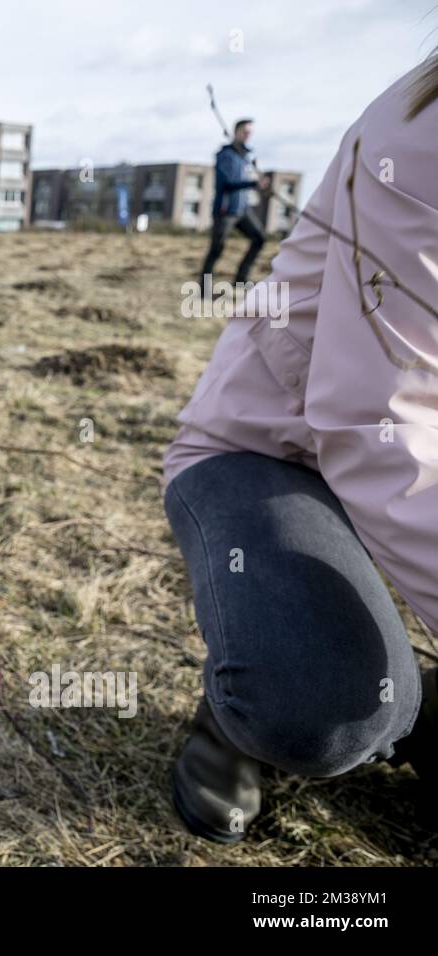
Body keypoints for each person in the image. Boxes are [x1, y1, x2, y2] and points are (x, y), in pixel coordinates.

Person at [162, 56, 438, 844]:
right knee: (322, 704)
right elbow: (379, 428)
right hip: (273, 451)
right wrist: (243, 173)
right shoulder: (421, 136)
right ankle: (238, 715)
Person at [200, 119, 271, 290]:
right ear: (236, 132)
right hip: (226, 210)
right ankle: (204, 289)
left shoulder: (245, 157)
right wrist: (254, 184)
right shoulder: (225, 155)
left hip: (242, 209)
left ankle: (241, 280)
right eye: (245, 131)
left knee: (259, 238)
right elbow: (226, 183)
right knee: (217, 248)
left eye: (250, 132)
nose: (248, 135)